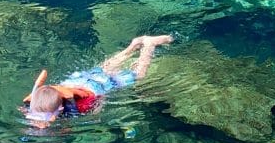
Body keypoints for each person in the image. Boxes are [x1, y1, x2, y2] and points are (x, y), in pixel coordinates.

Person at [22, 34, 173, 129]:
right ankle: (133, 46)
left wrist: (96, 113)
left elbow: (100, 99)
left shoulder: (80, 103)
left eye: (44, 119)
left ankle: (149, 45)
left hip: (96, 87)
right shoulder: (35, 103)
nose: (40, 124)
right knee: (105, 67)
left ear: (60, 109)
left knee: (138, 75)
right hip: (77, 80)